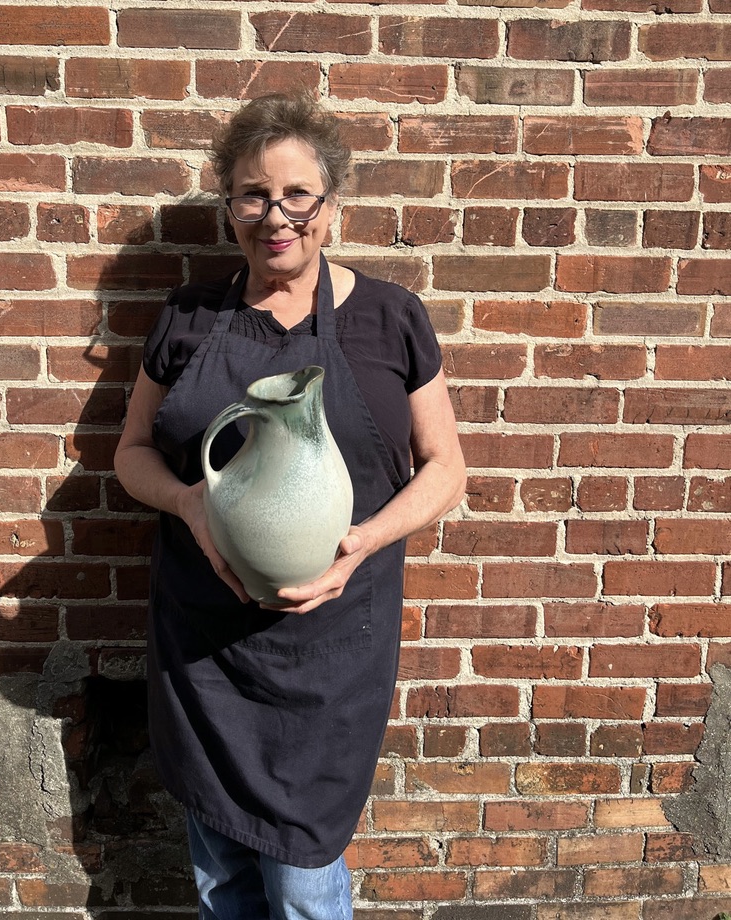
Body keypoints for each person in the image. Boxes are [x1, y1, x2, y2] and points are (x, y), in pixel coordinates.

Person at [114, 92, 467, 920]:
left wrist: (365, 541)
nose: (275, 218)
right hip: (206, 649)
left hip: (333, 654)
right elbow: (130, 454)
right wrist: (189, 505)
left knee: (305, 887)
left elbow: (445, 468)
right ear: (228, 207)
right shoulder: (188, 318)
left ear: (331, 205)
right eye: (252, 195)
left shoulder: (389, 318)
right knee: (222, 882)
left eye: (296, 195)